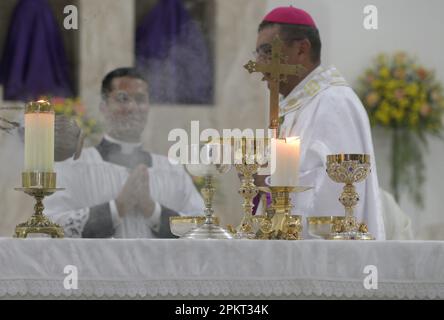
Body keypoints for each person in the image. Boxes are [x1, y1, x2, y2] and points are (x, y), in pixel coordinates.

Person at [255, 7, 385, 239]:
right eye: (258, 54)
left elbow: (334, 200)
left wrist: (268, 182)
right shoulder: (298, 106)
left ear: (302, 49)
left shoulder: (333, 103)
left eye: (267, 52)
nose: (261, 67)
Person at [44, 67, 204, 238]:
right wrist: (117, 208)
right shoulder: (72, 166)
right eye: (122, 99)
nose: (132, 107)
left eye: (140, 99)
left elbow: (203, 228)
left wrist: (152, 210)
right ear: (104, 107)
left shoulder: (173, 170)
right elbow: (51, 227)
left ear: (148, 107)